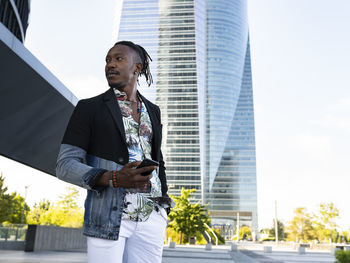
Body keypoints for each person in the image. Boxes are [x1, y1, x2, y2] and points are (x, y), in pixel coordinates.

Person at [56, 41, 172, 263]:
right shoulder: (89, 108)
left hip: (152, 218)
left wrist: (164, 205)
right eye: (108, 60)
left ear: (137, 68)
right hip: (109, 215)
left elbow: (159, 162)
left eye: (118, 59)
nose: (110, 64)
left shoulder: (153, 111)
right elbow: (65, 164)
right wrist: (114, 178)